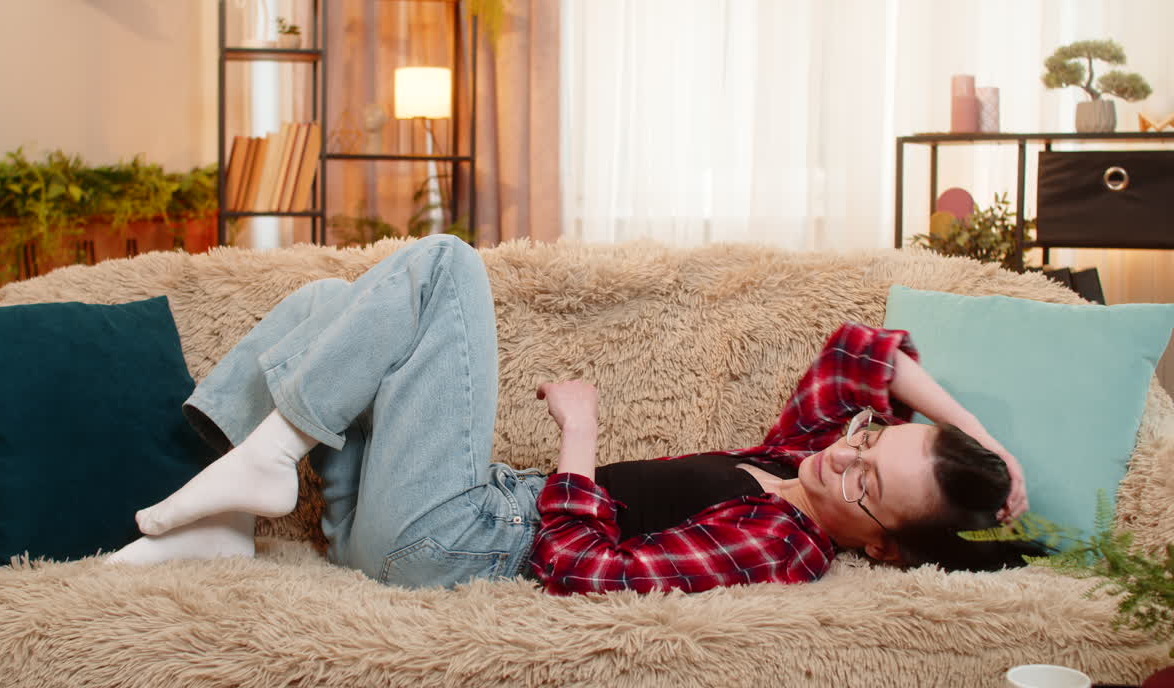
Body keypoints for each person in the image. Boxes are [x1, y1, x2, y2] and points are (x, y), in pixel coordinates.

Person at [108, 235, 1031, 595]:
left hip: (460, 543)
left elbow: (589, 572)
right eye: (872, 440)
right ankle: (232, 506)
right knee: (322, 304)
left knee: (445, 267)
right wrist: (981, 441)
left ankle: (267, 458)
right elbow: (854, 352)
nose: (847, 461)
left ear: (882, 549)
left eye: (871, 487)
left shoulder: (781, 549)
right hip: (401, 526)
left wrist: (580, 439)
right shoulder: (797, 460)